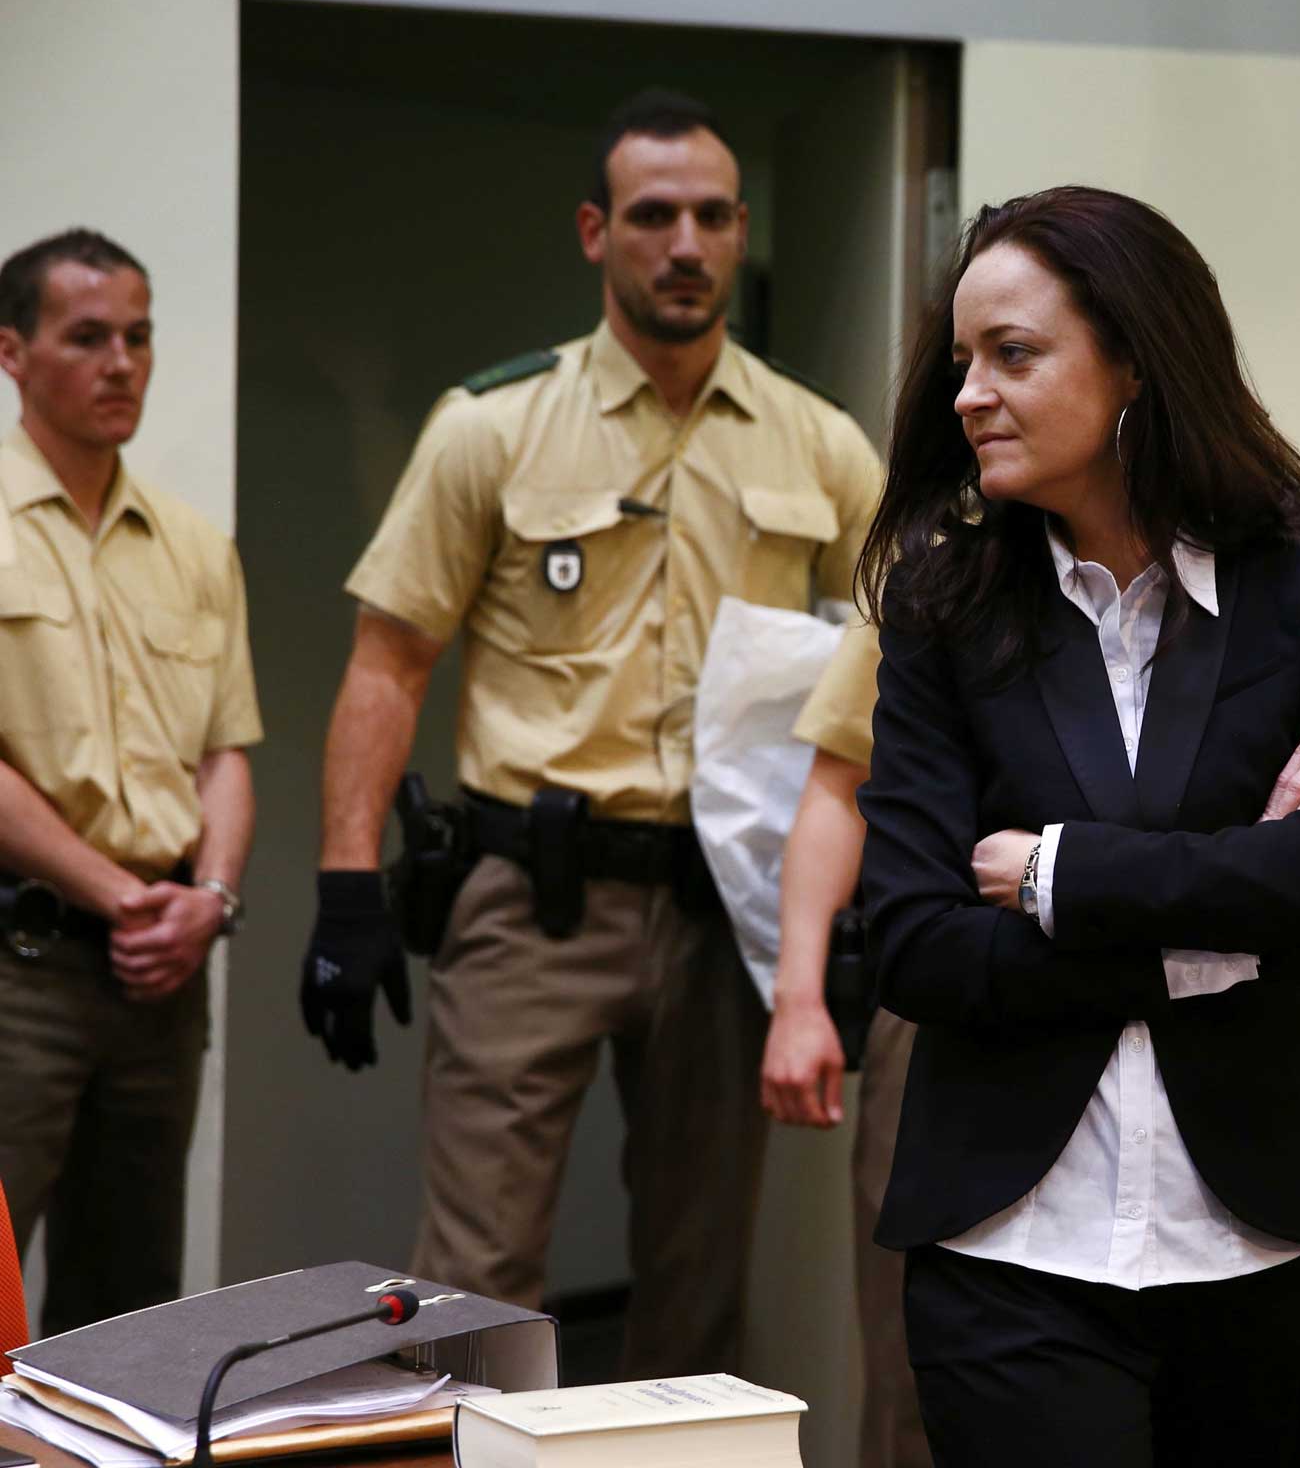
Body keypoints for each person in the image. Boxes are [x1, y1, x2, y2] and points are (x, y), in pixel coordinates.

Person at [301, 88, 882, 1379]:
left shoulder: (821, 444)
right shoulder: (493, 427)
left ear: (742, 233)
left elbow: (907, 659)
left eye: (714, 216)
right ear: (593, 232)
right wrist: (346, 892)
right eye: (653, 215)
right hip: (530, 900)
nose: (686, 243)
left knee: (698, 1285)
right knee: (473, 1282)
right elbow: (388, 665)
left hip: (723, 908)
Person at [854, 184, 1300, 1467]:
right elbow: (910, 940)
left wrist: (1062, 872)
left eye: (1012, 355)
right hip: (1010, 1241)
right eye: (962, 363)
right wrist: (1222, 923)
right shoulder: (943, 605)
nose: (966, 396)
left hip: (1263, 1234)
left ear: (1132, 360)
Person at [0, 229, 260, 1333]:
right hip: (23, 970)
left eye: (139, 337)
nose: (122, 364)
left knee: (131, 1311)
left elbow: (226, 750)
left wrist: (210, 898)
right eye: (88, 338)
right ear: (12, 352)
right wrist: (122, 899)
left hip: (160, 978)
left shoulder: (194, 544)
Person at [758, 616, 931, 1468]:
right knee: (915, 1353)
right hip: (947, 998)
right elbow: (840, 784)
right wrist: (800, 998)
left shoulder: (1227, 560)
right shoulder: (939, 566)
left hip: (1160, 997)